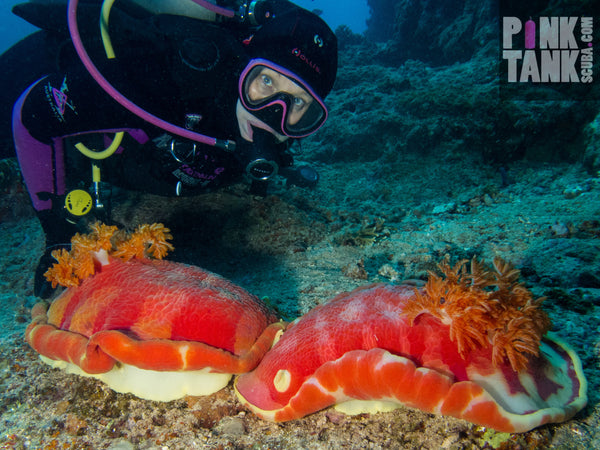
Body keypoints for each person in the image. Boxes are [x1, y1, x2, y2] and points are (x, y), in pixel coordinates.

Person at [6, 0, 338, 298]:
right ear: (243, 66)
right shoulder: (162, 77)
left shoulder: (274, 139)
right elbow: (30, 118)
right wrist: (57, 235)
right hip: (39, 70)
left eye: (298, 104)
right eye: (266, 81)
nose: (272, 111)